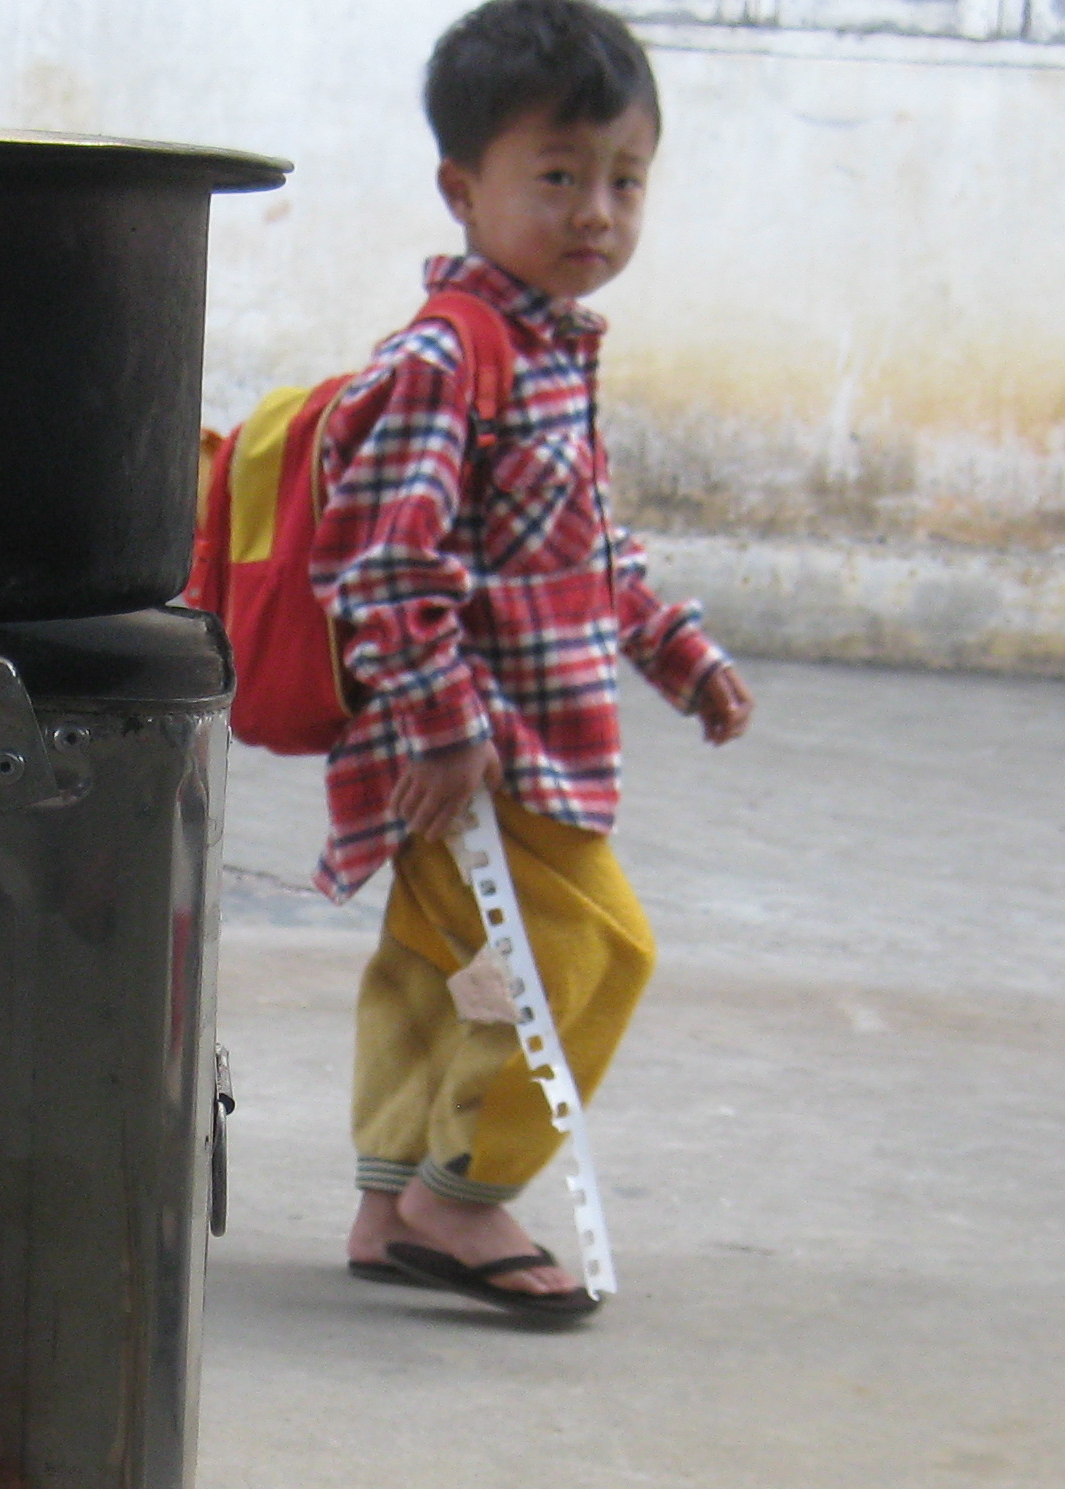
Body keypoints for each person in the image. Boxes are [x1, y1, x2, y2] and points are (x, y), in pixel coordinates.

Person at [317, 0, 752, 1325]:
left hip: (531, 741)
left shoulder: (551, 351)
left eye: (626, 180)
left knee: (439, 970)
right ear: (464, 187)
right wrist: (447, 729)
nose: (598, 214)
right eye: (557, 176)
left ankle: (393, 1202)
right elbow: (382, 564)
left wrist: (676, 652)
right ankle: (466, 1190)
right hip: (479, 756)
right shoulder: (448, 358)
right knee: (593, 956)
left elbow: (584, 548)